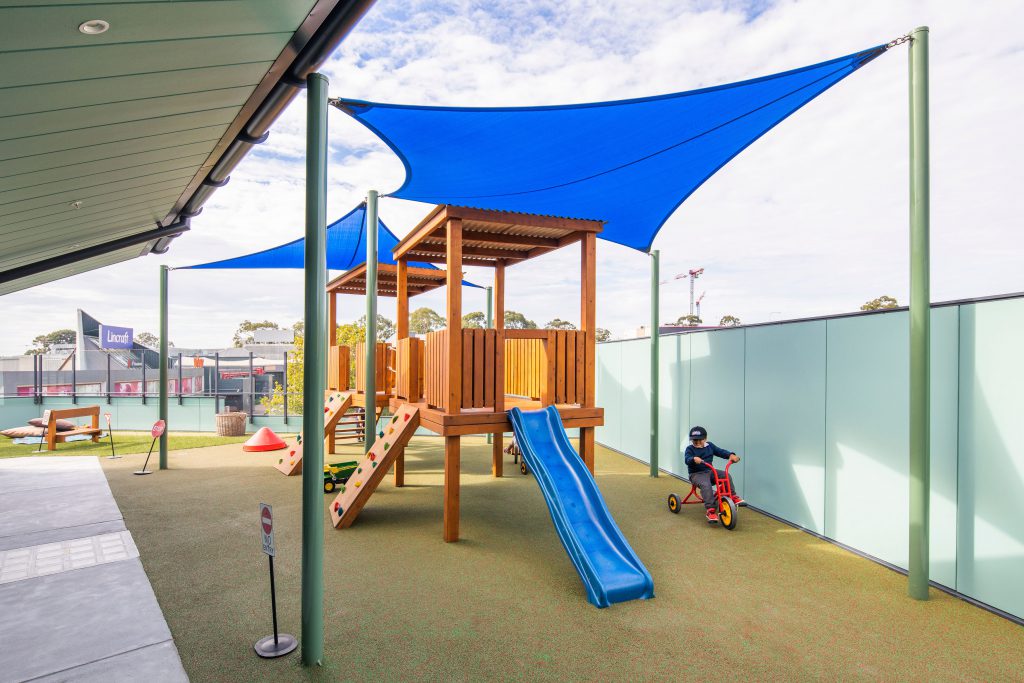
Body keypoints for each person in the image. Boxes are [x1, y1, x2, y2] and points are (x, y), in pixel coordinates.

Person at [684, 425, 746, 523]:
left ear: (705, 439)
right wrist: (693, 459)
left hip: (710, 471)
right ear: (691, 440)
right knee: (706, 484)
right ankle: (711, 510)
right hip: (696, 474)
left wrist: (731, 455)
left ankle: (732, 496)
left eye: (700, 440)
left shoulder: (710, 446)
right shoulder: (690, 449)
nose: (697, 442)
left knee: (726, 475)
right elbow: (687, 459)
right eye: (695, 440)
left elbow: (720, 452)